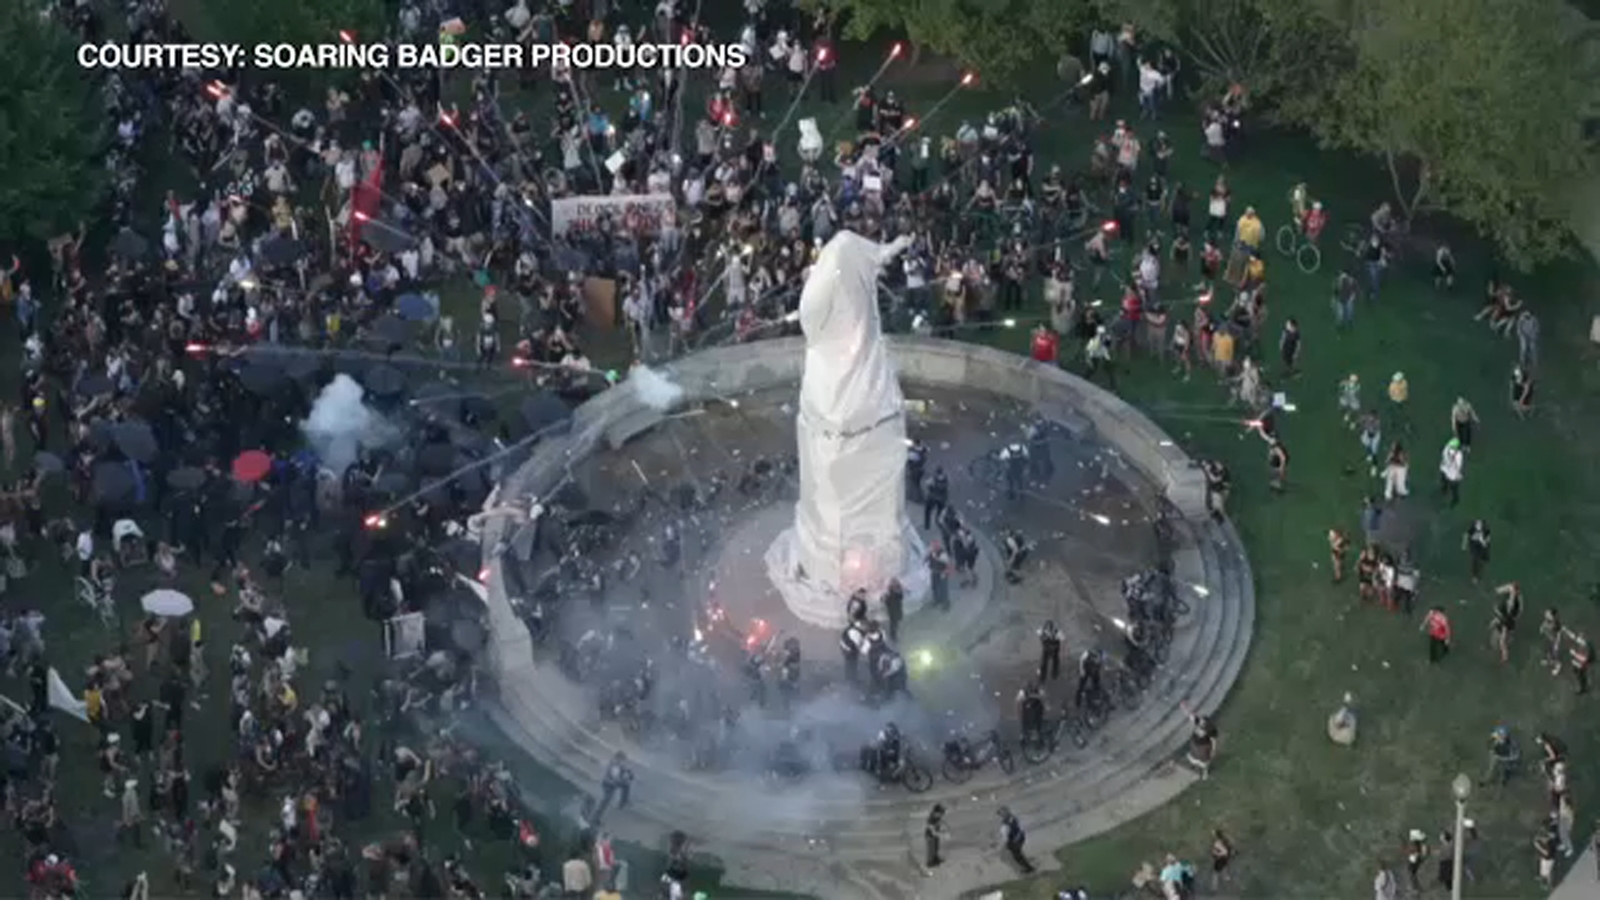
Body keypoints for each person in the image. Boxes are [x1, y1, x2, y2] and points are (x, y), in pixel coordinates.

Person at [997, 807, 1033, 873]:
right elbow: (1021, 828)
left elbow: (1005, 836)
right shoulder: (1013, 818)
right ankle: (1027, 865)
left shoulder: (1005, 825)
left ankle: (1028, 868)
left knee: (1017, 856)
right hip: (1021, 838)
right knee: (1019, 853)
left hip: (1014, 841)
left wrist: (1007, 844)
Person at [924, 804, 947, 868]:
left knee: (936, 847)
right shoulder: (931, 819)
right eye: (940, 813)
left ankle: (936, 859)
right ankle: (930, 862)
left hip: (935, 835)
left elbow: (941, 822)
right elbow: (932, 830)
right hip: (930, 836)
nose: (941, 815)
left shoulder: (937, 817)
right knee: (931, 849)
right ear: (936, 812)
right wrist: (941, 834)